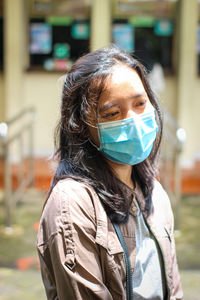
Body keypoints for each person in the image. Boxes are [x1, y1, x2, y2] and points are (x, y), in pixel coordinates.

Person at [37, 46, 183, 300]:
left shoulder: (155, 193)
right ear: (82, 126)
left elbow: (173, 288)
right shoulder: (72, 204)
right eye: (113, 113)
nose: (134, 121)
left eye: (140, 103)